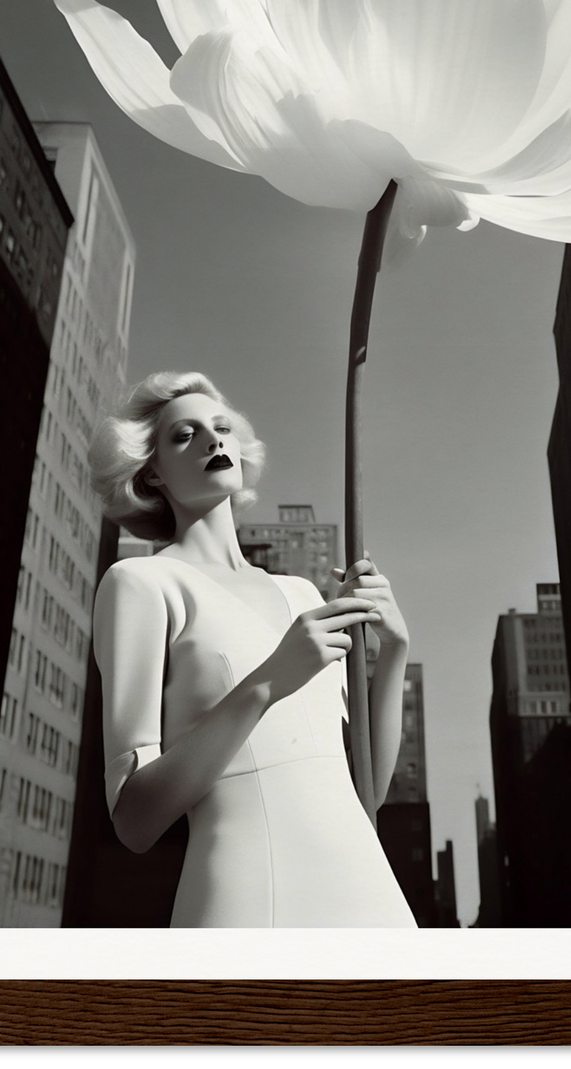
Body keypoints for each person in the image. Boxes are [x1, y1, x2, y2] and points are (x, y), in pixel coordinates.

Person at [87, 370, 418, 928]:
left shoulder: (302, 594)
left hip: (369, 891)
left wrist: (395, 651)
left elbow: (367, 791)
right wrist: (268, 682)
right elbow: (134, 820)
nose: (214, 440)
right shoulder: (141, 584)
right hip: (249, 895)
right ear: (152, 474)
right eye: (184, 435)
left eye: (221, 428)